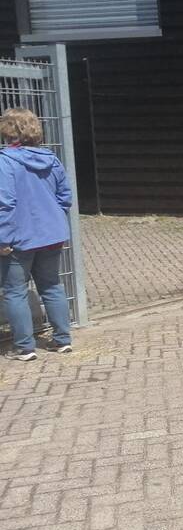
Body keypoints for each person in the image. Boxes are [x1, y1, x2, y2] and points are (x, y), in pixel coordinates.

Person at [0, 108, 74, 361]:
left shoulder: (5, 161)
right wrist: (53, 218)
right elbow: (65, 196)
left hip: (18, 238)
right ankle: (63, 340)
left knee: (15, 291)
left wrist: (3, 239)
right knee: (52, 285)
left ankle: (25, 347)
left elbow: (5, 203)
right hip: (51, 235)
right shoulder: (51, 159)